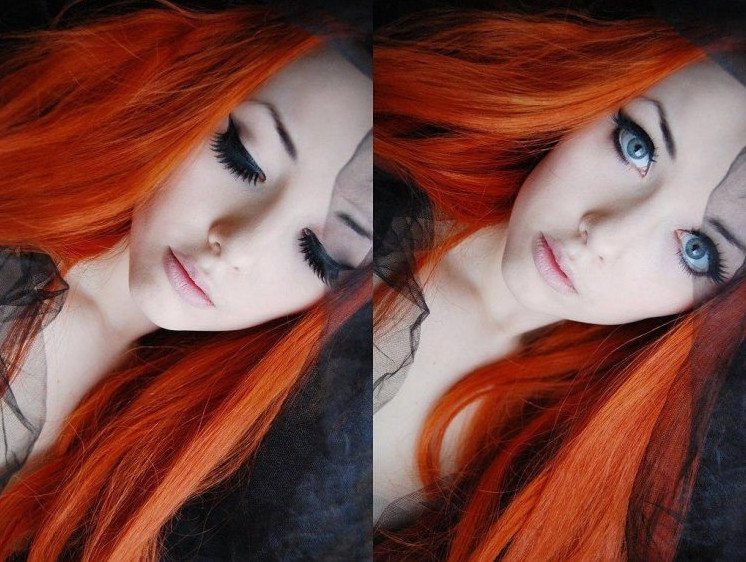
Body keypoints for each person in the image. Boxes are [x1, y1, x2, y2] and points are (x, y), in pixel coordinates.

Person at [373, 4, 746, 560]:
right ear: (588, 102)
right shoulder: (361, 224)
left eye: (698, 250)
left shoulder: (592, 447)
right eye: (637, 146)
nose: (605, 235)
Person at [0, 2, 372, 560]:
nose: (238, 247)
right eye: (242, 157)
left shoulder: (195, 457)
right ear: (190, 96)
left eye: (321, 254)